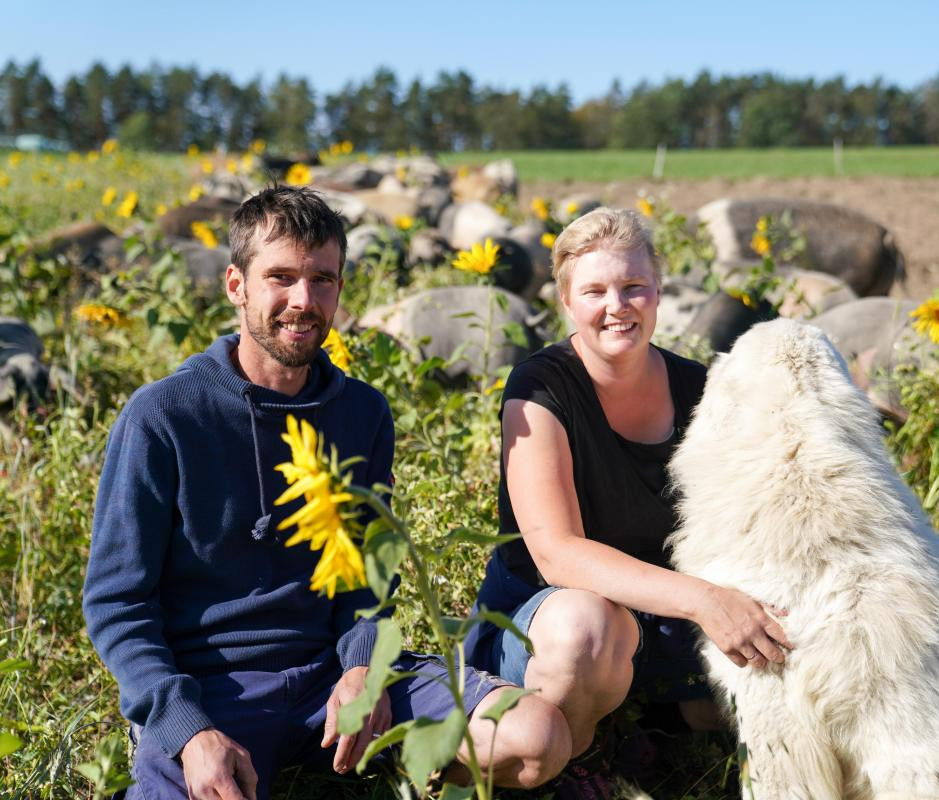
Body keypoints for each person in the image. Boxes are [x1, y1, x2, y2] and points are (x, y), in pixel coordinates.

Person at [82, 186, 570, 800]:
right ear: (236, 285)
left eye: (322, 280)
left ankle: (396, 766)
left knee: (536, 734)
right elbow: (117, 603)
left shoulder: (362, 412)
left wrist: (364, 667)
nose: (303, 301)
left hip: (335, 671)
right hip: (213, 689)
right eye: (280, 277)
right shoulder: (163, 416)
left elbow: (369, 574)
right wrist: (185, 728)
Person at [464, 207, 793, 796]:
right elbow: (558, 556)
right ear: (567, 301)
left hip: (662, 621)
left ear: (659, 293)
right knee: (583, 627)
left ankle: (653, 727)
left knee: (773, 680)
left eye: (633, 286)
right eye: (594, 290)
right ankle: (578, 759)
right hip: (549, 619)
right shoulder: (539, 391)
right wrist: (707, 602)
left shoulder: (702, 390)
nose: (617, 305)